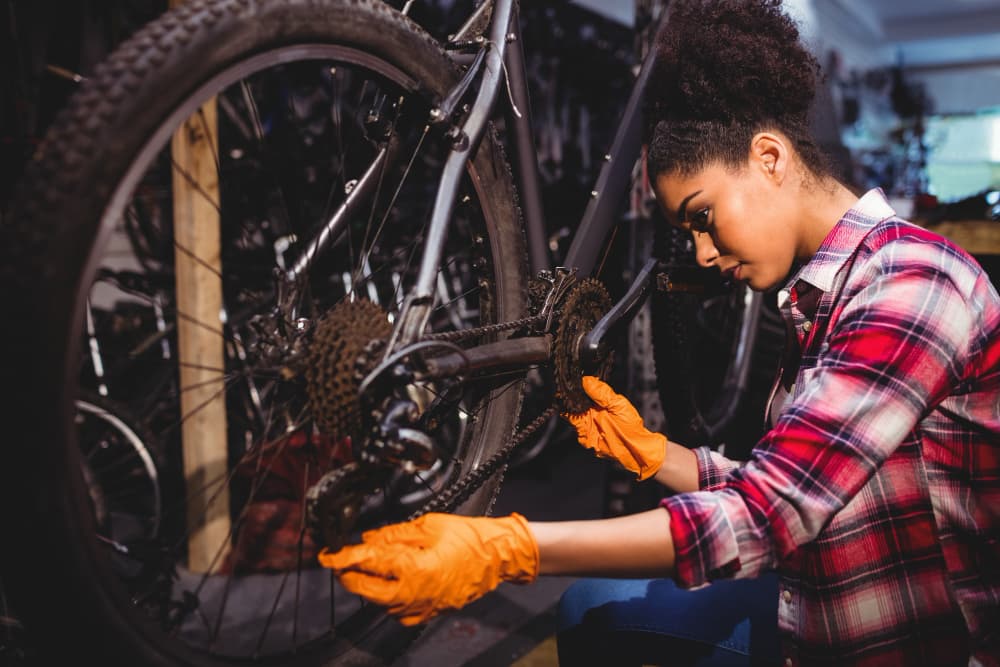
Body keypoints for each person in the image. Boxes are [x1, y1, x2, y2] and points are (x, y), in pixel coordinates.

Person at [318, 0, 1000, 664]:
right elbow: (806, 481)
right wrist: (656, 454)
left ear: (769, 157)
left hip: (902, 643)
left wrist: (510, 549)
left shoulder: (911, 284)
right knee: (591, 609)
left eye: (703, 216)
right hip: (817, 611)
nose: (702, 252)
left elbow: (769, 514)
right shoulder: (826, 292)